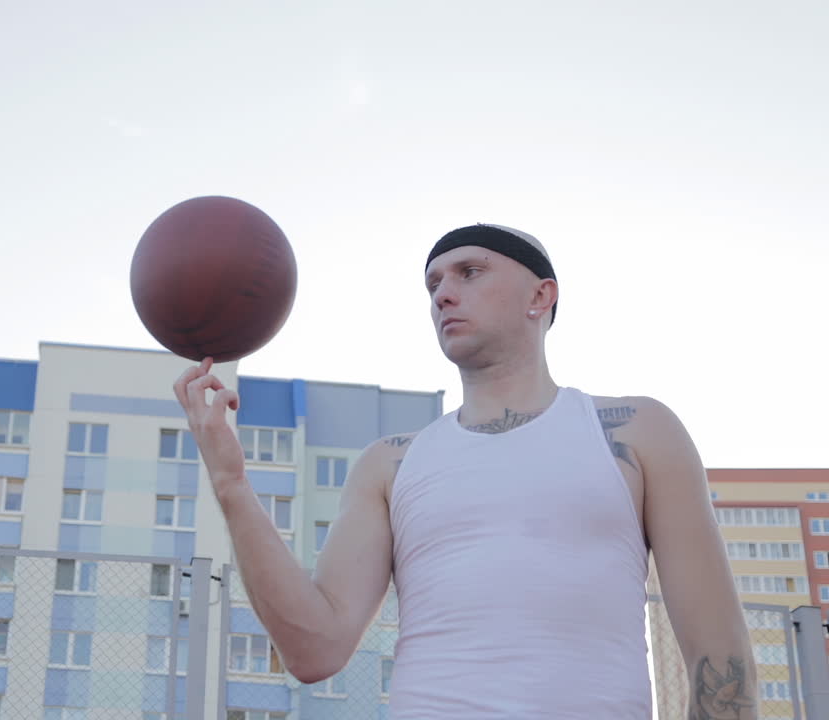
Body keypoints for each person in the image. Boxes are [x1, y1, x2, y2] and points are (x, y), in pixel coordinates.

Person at [173, 224, 754, 719]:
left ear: (541, 295)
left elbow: (718, 654)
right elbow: (315, 650)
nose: (443, 294)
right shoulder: (390, 464)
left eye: (468, 272)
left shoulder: (636, 430)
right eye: (433, 284)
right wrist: (231, 484)